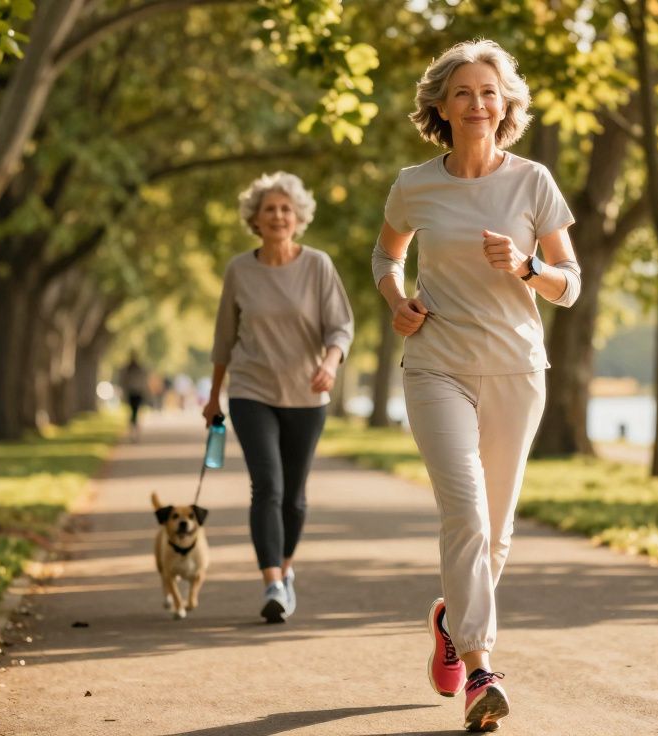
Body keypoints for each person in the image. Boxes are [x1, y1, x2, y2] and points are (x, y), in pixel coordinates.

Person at [371, 40, 581, 732]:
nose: (477, 103)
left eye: (489, 91)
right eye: (463, 92)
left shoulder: (533, 182)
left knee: (495, 529)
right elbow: (386, 253)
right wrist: (396, 299)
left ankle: (449, 620)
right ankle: (480, 668)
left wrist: (526, 267)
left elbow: (570, 285)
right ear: (440, 105)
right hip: (437, 365)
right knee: (465, 513)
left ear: (505, 104)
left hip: (516, 370)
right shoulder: (415, 184)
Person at [204, 171, 354, 624]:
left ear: (298, 217)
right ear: (255, 218)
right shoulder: (240, 269)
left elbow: (340, 327)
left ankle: (286, 571)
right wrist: (214, 396)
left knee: (294, 495)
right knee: (267, 486)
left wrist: (330, 364)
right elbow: (224, 337)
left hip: (307, 395)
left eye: (286, 209)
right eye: (269, 209)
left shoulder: (318, 265)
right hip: (251, 391)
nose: (278, 216)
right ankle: (271, 581)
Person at [121, 353, 148, 442]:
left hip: (138, 393)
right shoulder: (128, 369)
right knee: (133, 412)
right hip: (131, 393)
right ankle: (133, 431)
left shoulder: (139, 369)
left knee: (135, 412)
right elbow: (124, 381)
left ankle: (134, 431)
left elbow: (143, 381)